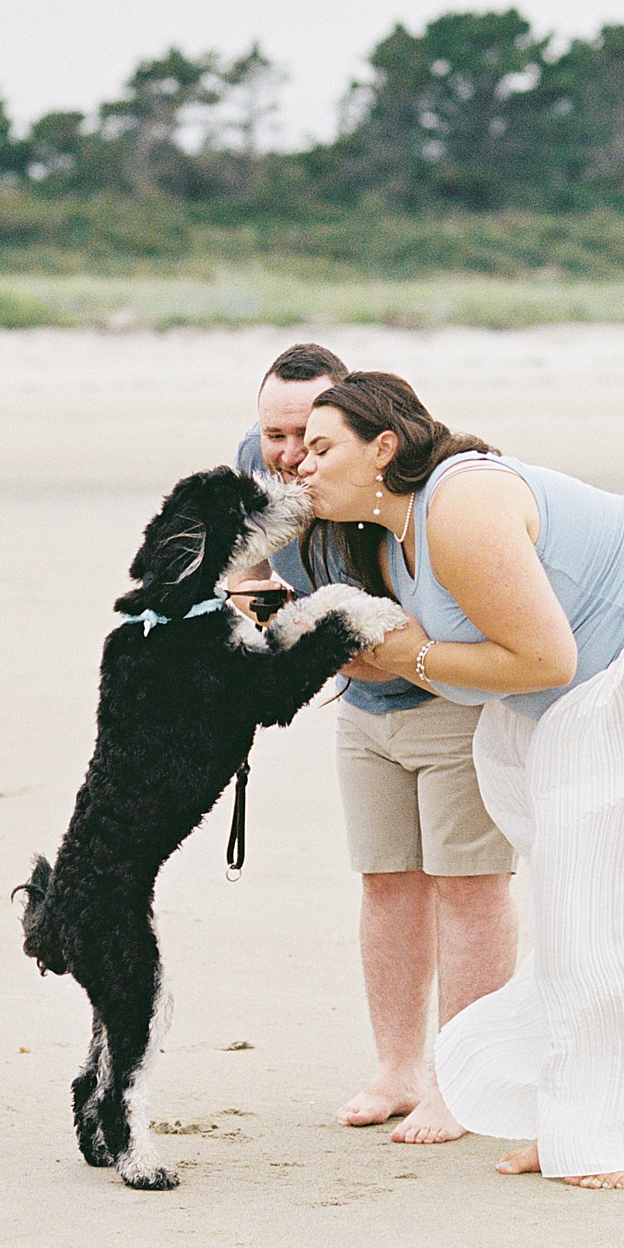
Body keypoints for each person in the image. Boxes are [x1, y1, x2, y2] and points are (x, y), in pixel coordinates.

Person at [296, 371, 624, 1188]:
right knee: (574, 910)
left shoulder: (461, 506)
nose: (301, 467)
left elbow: (541, 657)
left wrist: (405, 656)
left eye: (320, 448)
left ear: (384, 448)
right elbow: (475, 665)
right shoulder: (391, 541)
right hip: (585, 686)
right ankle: (580, 1120)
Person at [229, 343, 518, 1143]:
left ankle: (467, 1082)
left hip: (453, 699)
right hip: (360, 704)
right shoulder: (260, 461)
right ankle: (398, 1068)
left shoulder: (419, 484)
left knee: (469, 886)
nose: (290, 455)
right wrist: (284, 631)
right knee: (386, 879)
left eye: (309, 437)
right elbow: (243, 569)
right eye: (275, 433)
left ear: (356, 427)